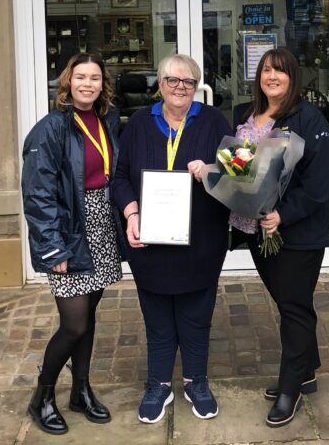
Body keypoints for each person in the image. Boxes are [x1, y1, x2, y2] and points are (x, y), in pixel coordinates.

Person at [111, 53, 231, 424]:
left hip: (202, 240)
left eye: (188, 82)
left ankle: (196, 382)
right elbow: (119, 178)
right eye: (172, 80)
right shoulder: (139, 124)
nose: (180, 88)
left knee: (196, 316)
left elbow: (238, 178)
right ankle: (159, 384)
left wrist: (211, 170)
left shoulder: (214, 121)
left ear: (197, 88)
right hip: (151, 241)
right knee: (159, 319)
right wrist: (131, 213)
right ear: (160, 85)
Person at [22, 53, 124, 435]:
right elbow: (38, 192)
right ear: (68, 82)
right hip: (67, 231)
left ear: (103, 84)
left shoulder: (106, 120)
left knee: (89, 315)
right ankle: (42, 397)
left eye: (95, 77)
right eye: (80, 77)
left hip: (100, 224)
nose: (87, 84)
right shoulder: (51, 127)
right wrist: (52, 248)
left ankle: (80, 391)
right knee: (74, 324)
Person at [234, 47, 329, 427]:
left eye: (280, 71)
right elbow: (240, 168)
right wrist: (219, 174)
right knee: (291, 302)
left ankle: (290, 387)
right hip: (259, 230)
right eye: (265, 71)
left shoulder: (309, 120)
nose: (271, 77)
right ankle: (305, 371)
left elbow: (317, 186)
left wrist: (282, 214)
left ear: (293, 77)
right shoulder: (248, 114)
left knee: (293, 308)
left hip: (297, 232)